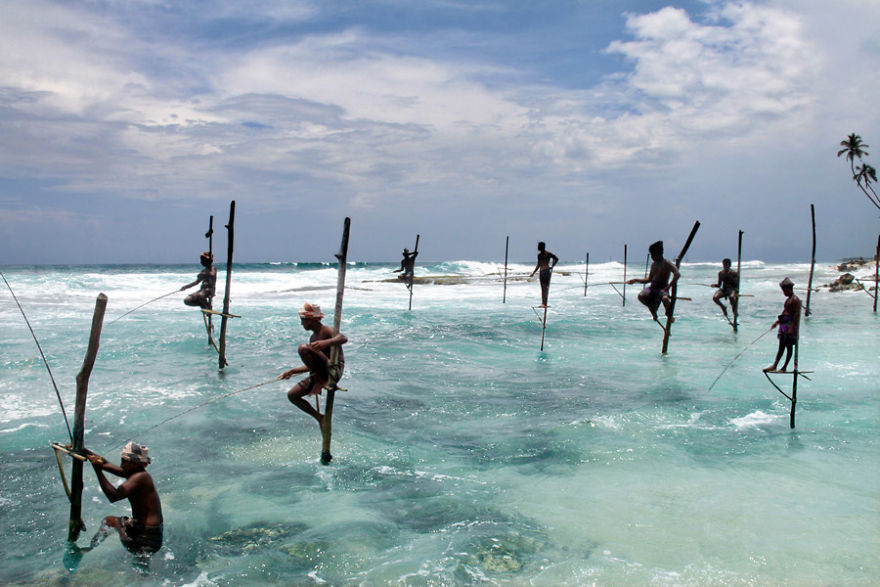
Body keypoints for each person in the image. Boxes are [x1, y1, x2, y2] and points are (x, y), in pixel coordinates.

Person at [84, 442, 163, 558]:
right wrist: (85, 452)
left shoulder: (140, 477)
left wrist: (98, 471)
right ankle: (142, 562)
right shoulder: (136, 473)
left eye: (123, 462)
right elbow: (104, 464)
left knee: (109, 521)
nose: (121, 465)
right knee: (140, 555)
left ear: (133, 464)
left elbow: (113, 496)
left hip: (144, 540)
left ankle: (89, 549)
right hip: (153, 539)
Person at [278, 303, 348, 431]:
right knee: (292, 395)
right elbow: (313, 365)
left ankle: (320, 380)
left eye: (303, 320)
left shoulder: (326, 331)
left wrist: (325, 342)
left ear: (310, 319)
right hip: (321, 373)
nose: (301, 324)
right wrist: (292, 371)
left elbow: (343, 338)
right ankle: (320, 417)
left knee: (303, 348)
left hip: (333, 371)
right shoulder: (313, 337)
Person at [627, 240, 680, 324]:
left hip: (662, 288)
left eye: (652, 254)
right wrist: (635, 280)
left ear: (658, 254)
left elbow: (677, 274)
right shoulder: (653, 264)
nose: (651, 257)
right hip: (652, 288)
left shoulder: (666, 263)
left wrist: (668, 287)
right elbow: (649, 279)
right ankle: (653, 311)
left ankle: (669, 316)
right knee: (641, 296)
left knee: (665, 299)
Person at [764, 277, 802, 372]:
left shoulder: (795, 300)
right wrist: (777, 322)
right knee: (781, 346)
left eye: (784, 290)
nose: (783, 293)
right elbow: (785, 312)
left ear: (789, 289)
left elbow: (797, 315)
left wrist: (791, 328)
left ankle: (784, 367)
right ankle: (775, 365)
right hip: (784, 325)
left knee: (789, 347)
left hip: (790, 326)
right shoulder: (788, 300)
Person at [528, 242, 559, 307]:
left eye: (538, 246)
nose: (537, 248)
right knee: (544, 287)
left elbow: (539, 265)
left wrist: (552, 266)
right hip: (545, 271)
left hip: (544, 271)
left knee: (544, 287)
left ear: (541, 247)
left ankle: (544, 303)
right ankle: (544, 302)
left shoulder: (546, 254)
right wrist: (533, 273)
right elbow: (539, 264)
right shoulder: (542, 255)